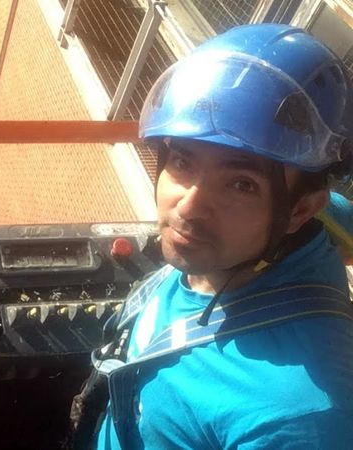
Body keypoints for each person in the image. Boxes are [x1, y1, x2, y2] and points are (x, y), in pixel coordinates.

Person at [70, 24, 353, 449]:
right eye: (182, 162)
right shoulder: (319, 222)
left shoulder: (296, 418)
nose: (188, 208)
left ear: (299, 211)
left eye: (240, 184)